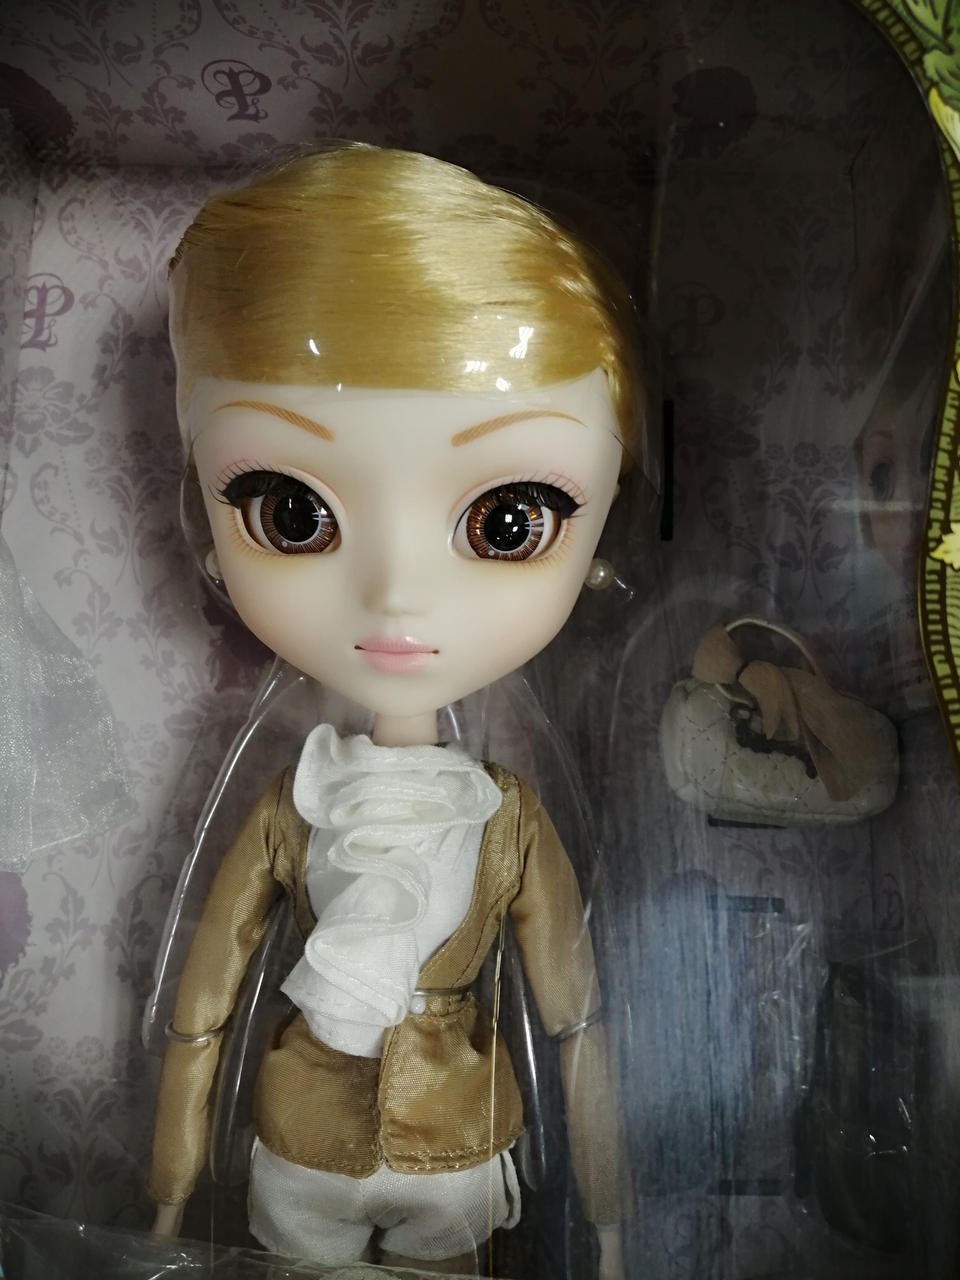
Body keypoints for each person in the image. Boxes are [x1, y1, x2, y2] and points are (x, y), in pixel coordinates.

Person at [148, 144, 643, 1277]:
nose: (396, 600)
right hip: (301, 1138)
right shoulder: (296, 802)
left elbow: (573, 1012)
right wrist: (169, 1190)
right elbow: (204, 999)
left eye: (509, 521)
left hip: (458, 1141)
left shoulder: (507, 819)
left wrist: (610, 1213)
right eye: (291, 511)